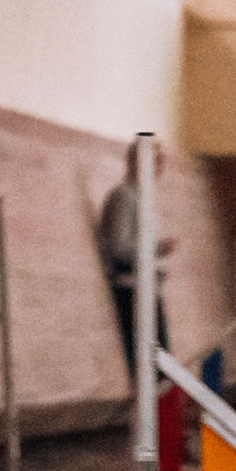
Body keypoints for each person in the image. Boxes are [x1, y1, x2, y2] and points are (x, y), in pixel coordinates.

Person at [96, 144, 170, 382]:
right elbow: (119, 247)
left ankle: (156, 417)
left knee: (160, 366)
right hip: (132, 289)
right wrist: (157, 248)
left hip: (143, 286)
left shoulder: (139, 197)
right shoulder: (123, 196)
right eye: (157, 162)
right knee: (152, 368)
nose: (161, 169)